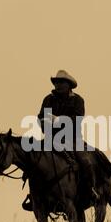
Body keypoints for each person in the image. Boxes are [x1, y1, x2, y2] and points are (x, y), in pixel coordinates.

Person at [22, 70, 99, 211]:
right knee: (33, 160)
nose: (58, 85)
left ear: (69, 85)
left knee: (85, 161)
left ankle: (90, 191)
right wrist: (45, 123)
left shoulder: (78, 100)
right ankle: (34, 196)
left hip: (73, 139)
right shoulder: (48, 99)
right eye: (56, 82)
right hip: (51, 139)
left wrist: (58, 120)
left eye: (61, 82)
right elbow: (40, 117)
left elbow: (78, 119)